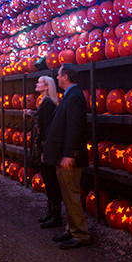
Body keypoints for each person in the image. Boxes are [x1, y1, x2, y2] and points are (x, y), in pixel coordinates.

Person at [43, 63, 91, 250]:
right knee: (67, 195)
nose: (56, 78)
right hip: (62, 156)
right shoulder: (70, 96)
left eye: (59, 75)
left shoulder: (75, 97)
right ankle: (72, 229)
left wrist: (70, 154)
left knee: (72, 196)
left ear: (65, 77)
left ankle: (81, 235)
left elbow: (75, 128)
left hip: (69, 158)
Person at [26, 76, 62, 228]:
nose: (37, 84)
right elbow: (41, 122)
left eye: (40, 82)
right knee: (48, 180)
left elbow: (48, 129)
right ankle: (51, 212)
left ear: (47, 87)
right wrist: (32, 116)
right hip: (44, 147)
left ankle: (56, 216)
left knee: (51, 181)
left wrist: (44, 150)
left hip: (46, 148)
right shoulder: (45, 103)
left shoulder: (48, 104)